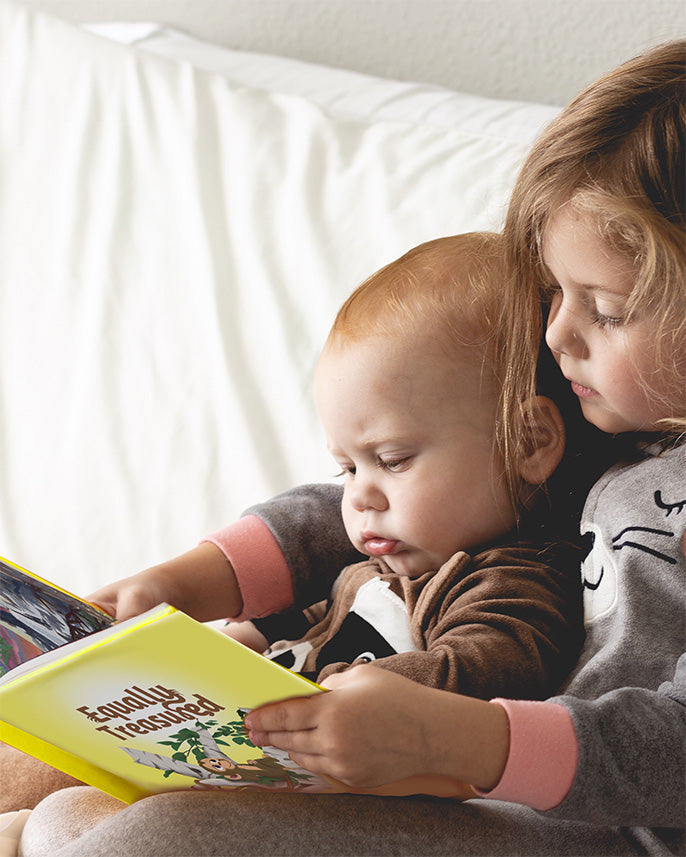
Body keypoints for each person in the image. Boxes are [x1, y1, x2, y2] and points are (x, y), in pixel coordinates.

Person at [14, 38, 685, 857]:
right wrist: (197, 579)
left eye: (606, 308)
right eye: (556, 295)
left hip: (605, 831)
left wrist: (458, 740)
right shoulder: (607, 416)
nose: (556, 334)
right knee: (55, 796)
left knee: (150, 837)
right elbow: (375, 498)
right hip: (474, 786)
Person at [222, 232, 577, 702]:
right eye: (346, 469)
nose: (360, 496)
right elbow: (289, 621)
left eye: (392, 460)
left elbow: (482, 674)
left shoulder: (510, 585)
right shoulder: (375, 566)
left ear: (527, 443)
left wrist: (341, 698)